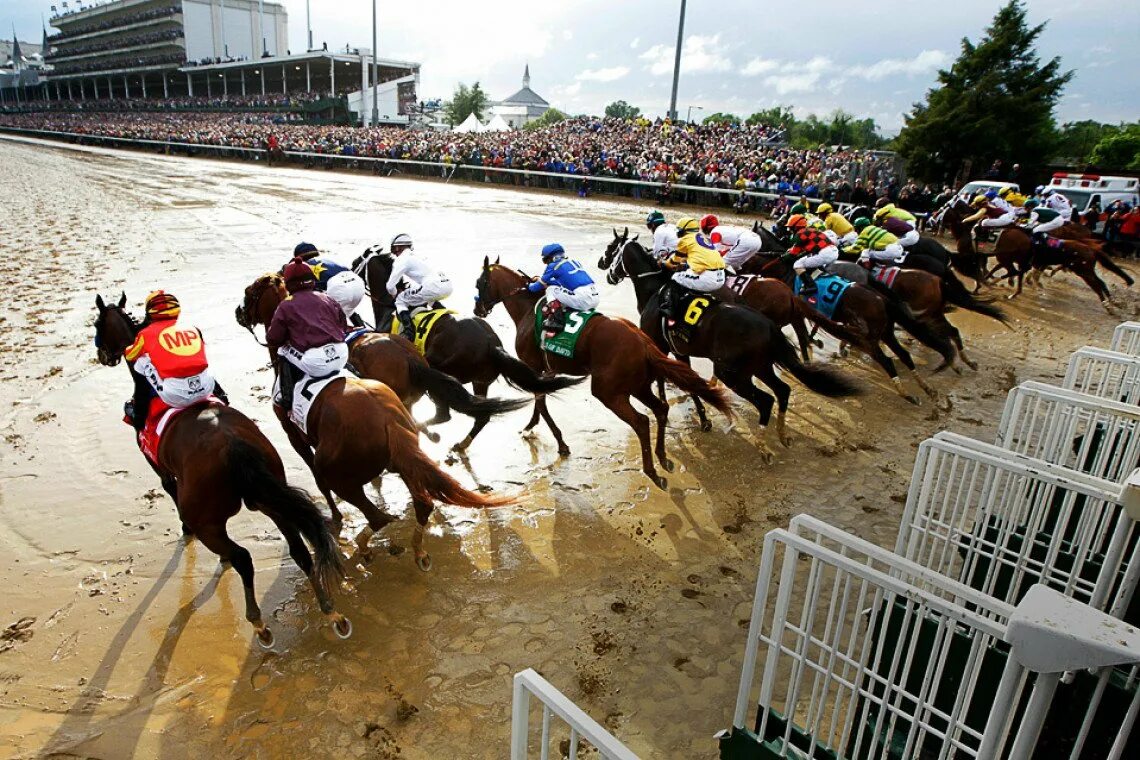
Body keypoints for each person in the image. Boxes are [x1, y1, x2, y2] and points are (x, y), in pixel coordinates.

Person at [123, 290, 228, 434]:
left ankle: (139, 416)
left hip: (175, 395)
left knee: (141, 362)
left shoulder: (145, 334)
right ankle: (222, 396)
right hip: (206, 388)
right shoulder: (193, 329)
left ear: (150, 314)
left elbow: (130, 355)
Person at [266, 258, 350, 410]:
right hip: (342, 355)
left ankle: (285, 397)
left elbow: (273, 338)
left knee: (282, 350)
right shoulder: (327, 297)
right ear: (312, 279)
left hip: (316, 363)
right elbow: (343, 325)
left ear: (289, 283)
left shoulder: (286, 305)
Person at [384, 234, 454, 340]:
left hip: (432, 286)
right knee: (428, 296)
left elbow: (390, 286)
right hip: (448, 285)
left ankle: (408, 332)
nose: (394, 252)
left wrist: (394, 294)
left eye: (394, 249)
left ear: (398, 247)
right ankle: (446, 316)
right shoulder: (418, 256)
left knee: (400, 300)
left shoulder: (402, 259)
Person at [659, 217, 726, 319]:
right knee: (688, 272)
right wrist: (685, 265)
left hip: (708, 278)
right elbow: (697, 259)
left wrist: (663, 263)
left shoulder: (685, 240)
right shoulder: (702, 237)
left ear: (683, 230)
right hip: (721, 277)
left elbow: (674, 262)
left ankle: (670, 308)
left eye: (679, 229)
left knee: (676, 277)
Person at [526, 243, 600, 334]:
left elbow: (535, 288)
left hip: (582, 299)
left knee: (550, 290)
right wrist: (543, 281)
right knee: (557, 288)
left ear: (551, 257)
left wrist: (527, 285)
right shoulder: (574, 262)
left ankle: (557, 320)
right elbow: (562, 282)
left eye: (545, 260)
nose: (546, 263)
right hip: (595, 299)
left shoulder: (553, 266)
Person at [292, 242, 367, 326]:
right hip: (358, 284)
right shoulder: (328, 259)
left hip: (339, 287)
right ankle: (362, 328)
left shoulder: (302, 267)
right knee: (348, 309)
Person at [785, 214, 839, 295]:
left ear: (795, 227)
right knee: (808, 260)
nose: (790, 230)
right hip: (833, 251)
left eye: (790, 227)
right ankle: (823, 272)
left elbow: (793, 254)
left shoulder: (800, 234)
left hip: (825, 253)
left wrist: (782, 257)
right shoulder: (810, 230)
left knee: (797, 264)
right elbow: (806, 249)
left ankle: (810, 285)